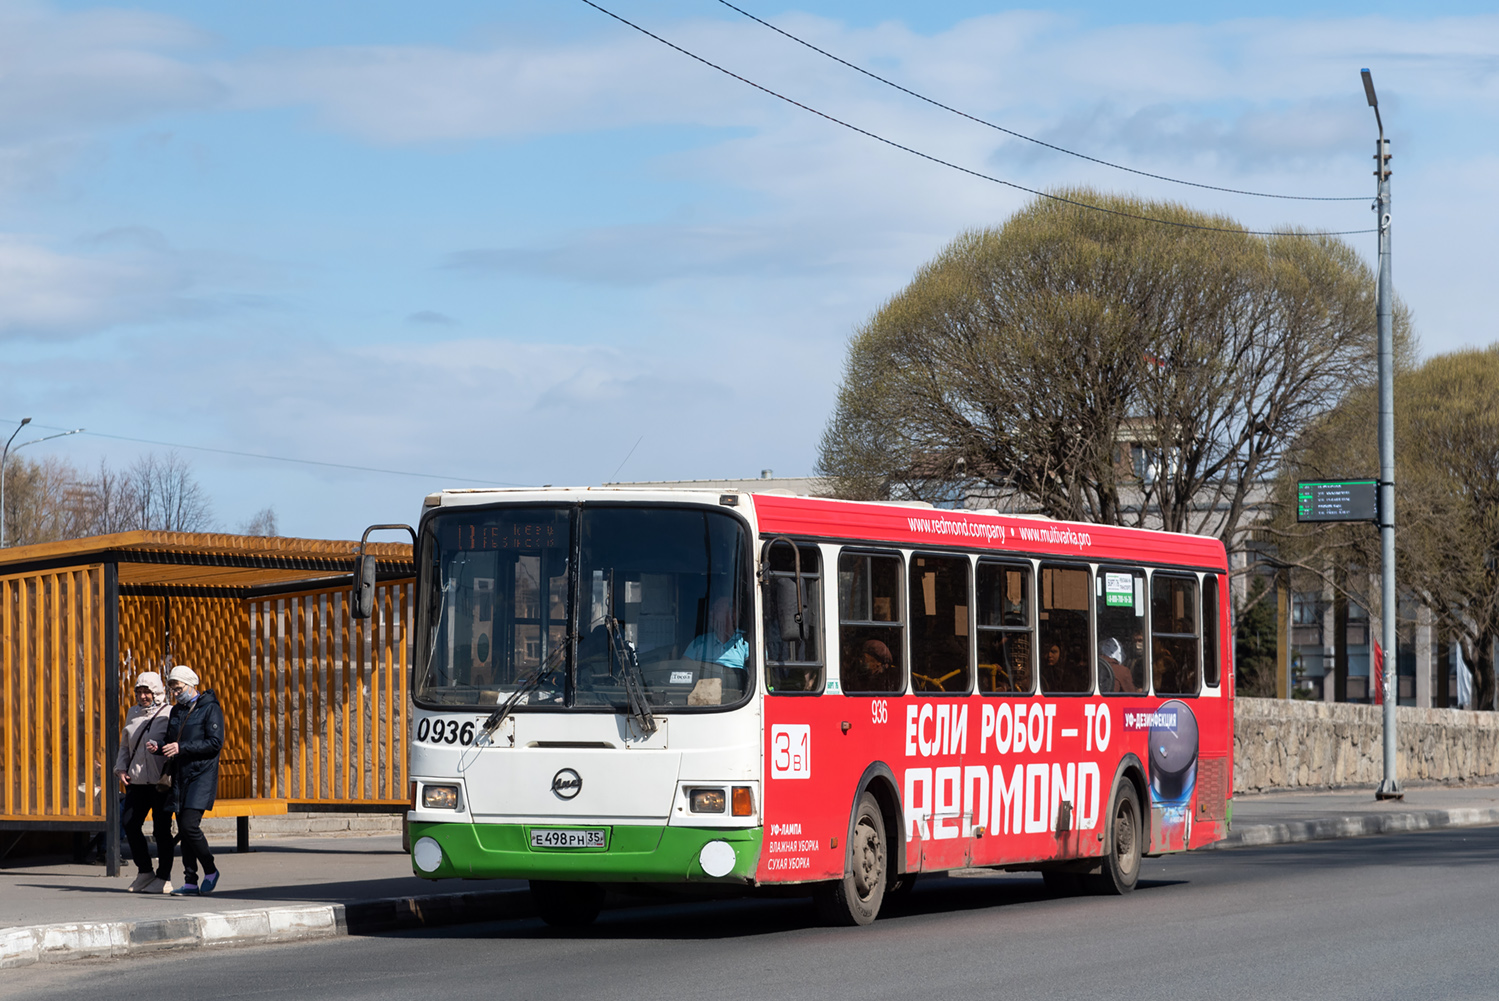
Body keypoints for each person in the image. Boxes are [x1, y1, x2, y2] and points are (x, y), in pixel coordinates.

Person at [148, 665, 224, 896]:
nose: (175, 692)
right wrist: (160, 747)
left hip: (201, 775)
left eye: (178, 687)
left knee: (190, 826)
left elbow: (214, 743)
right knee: (183, 827)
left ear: (191, 685)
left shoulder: (210, 708)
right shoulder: (177, 711)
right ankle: (190, 881)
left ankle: (210, 869)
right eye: (172, 688)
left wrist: (182, 747)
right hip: (179, 776)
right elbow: (173, 742)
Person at [114, 671, 175, 894]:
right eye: (139, 692)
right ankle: (145, 872)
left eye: (146, 692)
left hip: (160, 782)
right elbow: (125, 745)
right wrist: (120, 768)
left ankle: (164, 877)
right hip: (137, 780)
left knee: (161, 830)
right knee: (129, 823)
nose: (142, 696)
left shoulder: (169, 713)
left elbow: (175, 743)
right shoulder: (133, 713)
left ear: (156, 692)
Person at [682, 596, 748, 671]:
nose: (710, 613)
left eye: (717, 609)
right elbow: (683, 669)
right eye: (711, 609)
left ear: (731, 615)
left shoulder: (746, 643)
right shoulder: (700, 642)